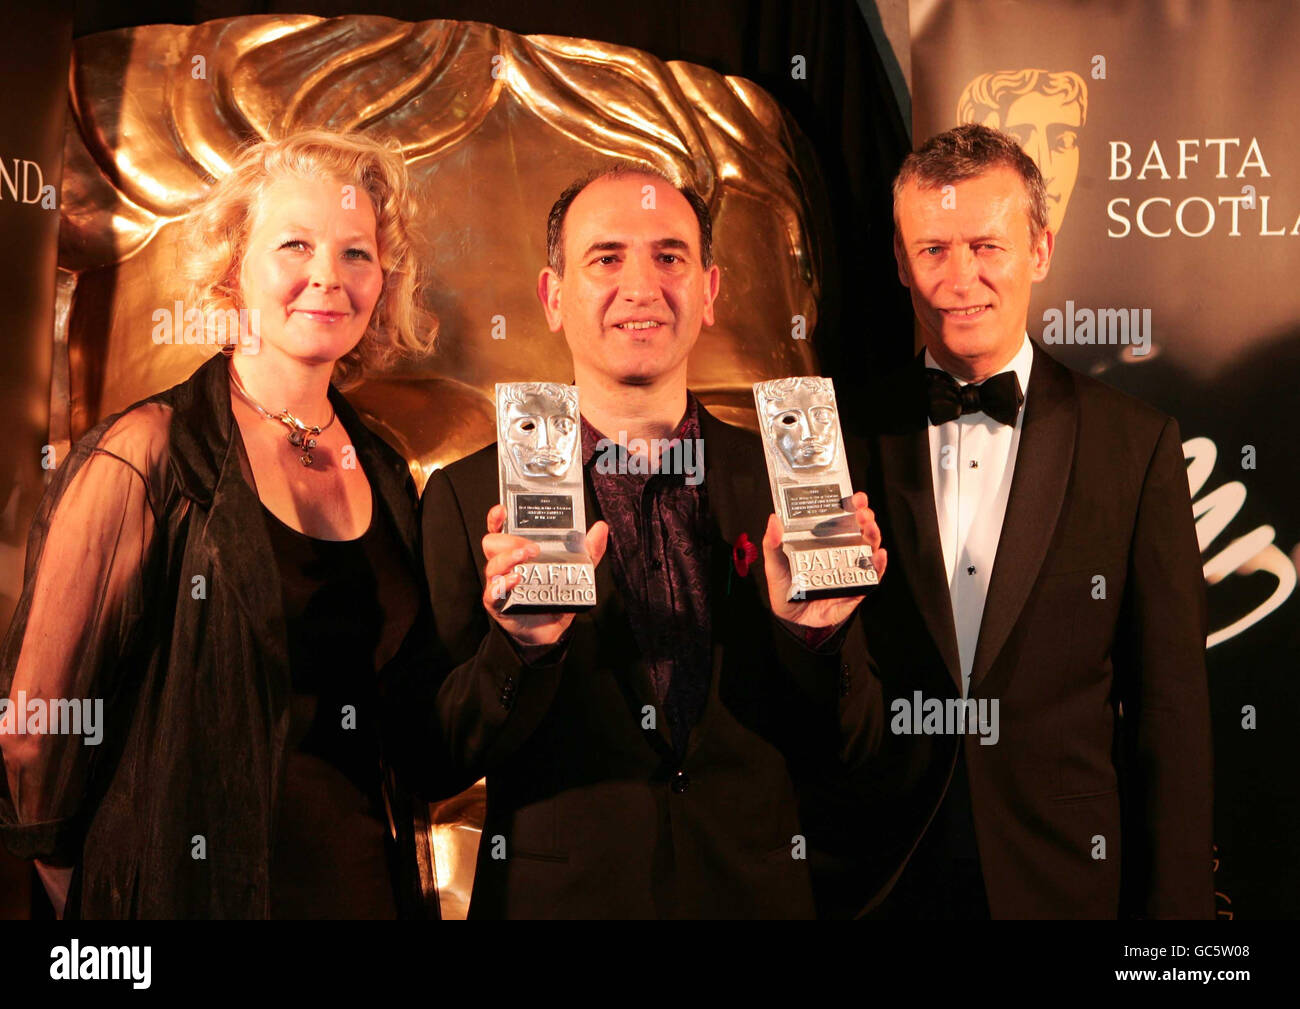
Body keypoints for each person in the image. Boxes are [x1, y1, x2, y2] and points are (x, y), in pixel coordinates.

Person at [418, 165, 888, 918]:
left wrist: (817, 642)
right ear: (552, 297)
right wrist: (519, 648)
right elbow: (431, 759)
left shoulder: (797, 479)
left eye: (669, 257)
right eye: (606, 258)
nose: (641, 286)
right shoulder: (469, 496)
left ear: (708, 293)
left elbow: (860, 749)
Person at [0, 129, 446, 919]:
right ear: (236, 266)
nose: (327, 277)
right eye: (295, 244)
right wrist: (111, 899)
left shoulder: (384, 466)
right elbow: (33, 733)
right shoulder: (148, 453)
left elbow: (409, 731)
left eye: (356, 253)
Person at [850, 123, 1212, 918]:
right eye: (933, 249)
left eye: (988, 245)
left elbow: (1170, 716)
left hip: (1067, 884)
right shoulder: (836, 436)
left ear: (1041, 250)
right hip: (878, 881)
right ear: (900, 261)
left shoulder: (1135, 444)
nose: (960, 277)